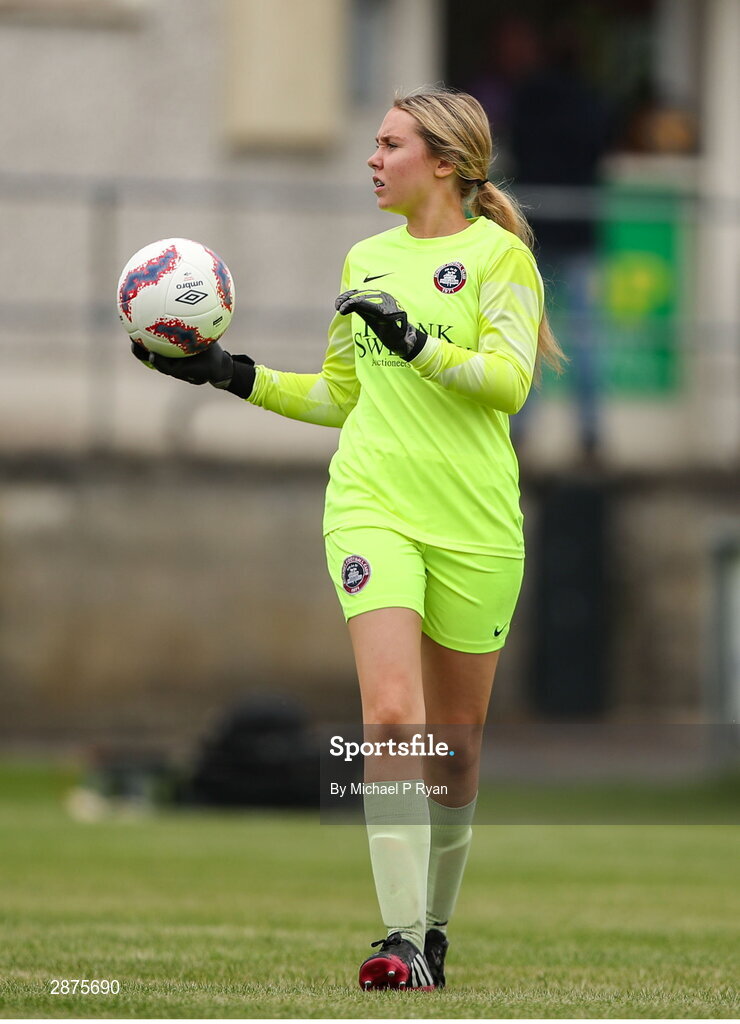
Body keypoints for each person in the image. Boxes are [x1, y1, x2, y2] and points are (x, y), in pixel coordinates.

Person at [131, 85, 565, 991]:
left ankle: (434, 928)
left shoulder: (501, 261)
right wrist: (229, 373)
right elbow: (341, 397)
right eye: (373, 142)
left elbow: (507, 384)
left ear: (444, 163)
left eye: (389, 144)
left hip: (476, 526)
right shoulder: (364, 257)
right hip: (370, 507)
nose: (371, 159)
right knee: (393, 719)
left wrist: (417, 345)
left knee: (453, 753)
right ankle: (399, 939)